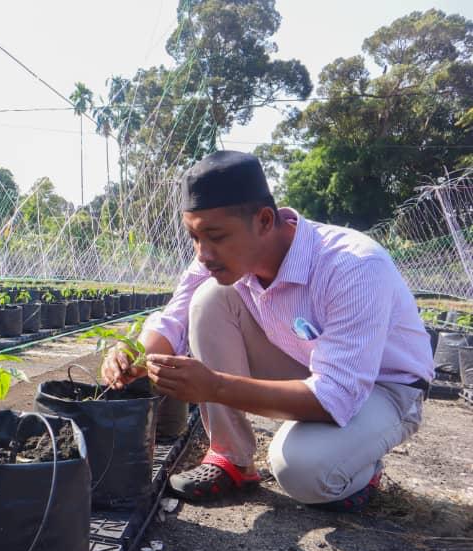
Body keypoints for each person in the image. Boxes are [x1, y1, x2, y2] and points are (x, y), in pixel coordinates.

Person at [101, 151, 434, 512]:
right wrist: (133, 354)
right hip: (309, 363)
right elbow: (174, 318)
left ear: (263, 220)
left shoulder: (353, 266)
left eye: (215, 236)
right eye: (194, 237)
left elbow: (336, 393)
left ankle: (362, 467)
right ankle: (231, 459)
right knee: (209, 297)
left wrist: (216, 387)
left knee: (301, 469)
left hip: (385, 389)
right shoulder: (218, 257)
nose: (203, 253)